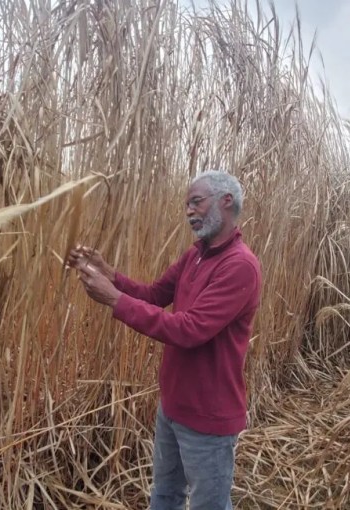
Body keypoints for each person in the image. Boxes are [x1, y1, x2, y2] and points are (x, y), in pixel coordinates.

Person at [67, 170, 262, 510]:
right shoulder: (195, 255)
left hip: (208, 416)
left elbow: (189, 330)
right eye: (186, 204)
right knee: (165, 494)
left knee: (209, 505)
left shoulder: (240, 266)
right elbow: (155, 294)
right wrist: (109, 274)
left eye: (196, 202)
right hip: (172, 405)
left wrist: (114, 299)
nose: (189, 211)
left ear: (226, 201)